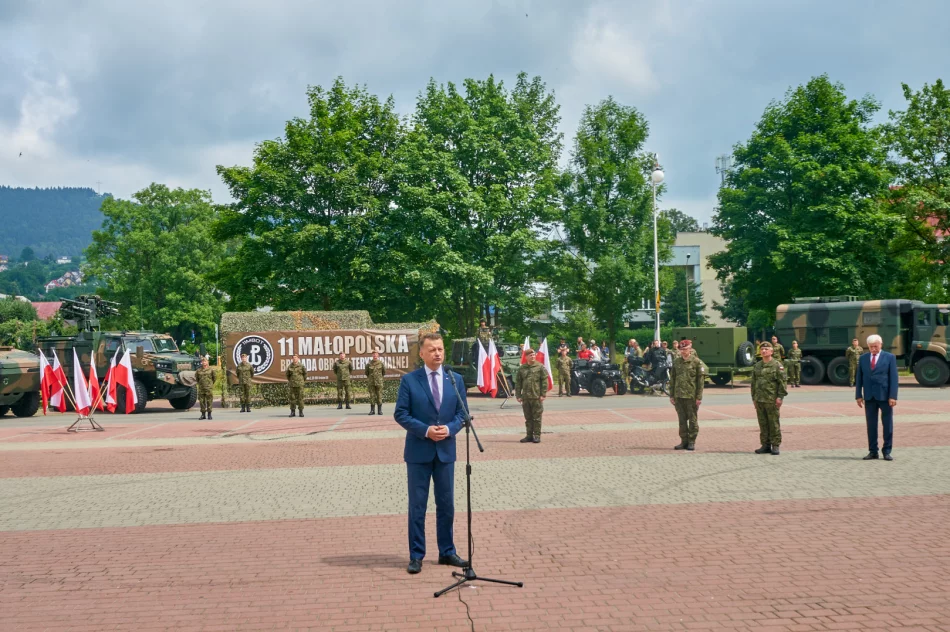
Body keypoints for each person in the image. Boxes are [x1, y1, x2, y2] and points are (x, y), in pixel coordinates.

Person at [393, 333, 468, 574]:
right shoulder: (410, 381)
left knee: (446, 505)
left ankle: (447, 551)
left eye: (440, 349)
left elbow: (462, 413)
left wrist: (449, 428)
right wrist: (425, 431)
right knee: (418, 506)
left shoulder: (455, 379)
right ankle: (416, 555)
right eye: (432, 349)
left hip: (446, 451)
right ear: (422, 354)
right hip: (418, 453)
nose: (438, 353)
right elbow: (401, 414)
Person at [855, 334, 898, 461]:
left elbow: (893, 378)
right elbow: (859, 378)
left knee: (887, 424)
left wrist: (893, 396)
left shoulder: (890, 357)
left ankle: (887, 451)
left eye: (875, 346)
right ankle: (873, 451)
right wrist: (858, 395)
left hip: (885, 396)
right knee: (871, 425)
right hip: (869, 397)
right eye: (871, 347)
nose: (873, 349)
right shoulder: (863, 358)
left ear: (881, 344)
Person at [750, 341, 787, 455]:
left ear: (771, 351)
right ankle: (765, 445)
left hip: (772, 399)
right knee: (763, 423)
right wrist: (754, 399)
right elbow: (753, 383)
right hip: (760, 400)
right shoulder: (757, 366)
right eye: (762, 349)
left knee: (773, 423)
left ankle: (775, 445)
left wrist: (780, 397)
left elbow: (782, 383)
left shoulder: (777, 365)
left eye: (766, 349)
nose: (764, 351)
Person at [669, 339, 704, 450]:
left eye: (685, 349)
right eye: (681, 349)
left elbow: (700, 381)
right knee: (682, 420)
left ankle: (692, 441)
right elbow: (672, 379)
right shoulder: (676, 362)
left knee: (693, 420)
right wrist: (671, 395)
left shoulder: (696, 362)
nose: (683, 351)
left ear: (690, 349)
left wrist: (699, 397)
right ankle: (684, 441)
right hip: (679, 396)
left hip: (691, 396)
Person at [516, 348, 550, 443]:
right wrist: (518, 395)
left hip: (536, 396)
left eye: (534, 355)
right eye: (530, 355)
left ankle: (537, 435)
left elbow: (544, 381)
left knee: (537, 418)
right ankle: (529, 435)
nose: (533, 356)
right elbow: (518, 383)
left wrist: (543, 394)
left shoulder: (540, 367)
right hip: (526, 397)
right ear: (526, 357)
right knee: (528, 418)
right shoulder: (522, 368)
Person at [365, 351, 386, 415]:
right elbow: (366, 373)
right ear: (372, 355)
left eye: (376, 355)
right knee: (372, 396)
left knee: (379, 396)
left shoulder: (381, 363)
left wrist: (379, 378)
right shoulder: (369, 364)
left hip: (379, 382)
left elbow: (383, 372)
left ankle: (379, 411)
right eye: (373, 355)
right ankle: (372, 410)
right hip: (371, 382)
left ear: (378, 356)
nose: (375, 356)